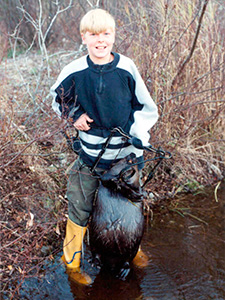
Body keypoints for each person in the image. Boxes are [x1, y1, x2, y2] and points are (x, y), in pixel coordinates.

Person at [50, 8, 158, 285]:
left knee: (131, 205)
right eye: (94, 35)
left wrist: (138, 136)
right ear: (84, 37)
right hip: (90, 157)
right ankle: (72, 262)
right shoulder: (74, 70)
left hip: (126, 157)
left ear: (113, 36)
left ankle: (132, 250)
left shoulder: (127, 68)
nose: (101, 40)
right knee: (80, 208)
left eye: (106, 34)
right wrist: (74, 115)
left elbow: (146, 108)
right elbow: (57, 99)